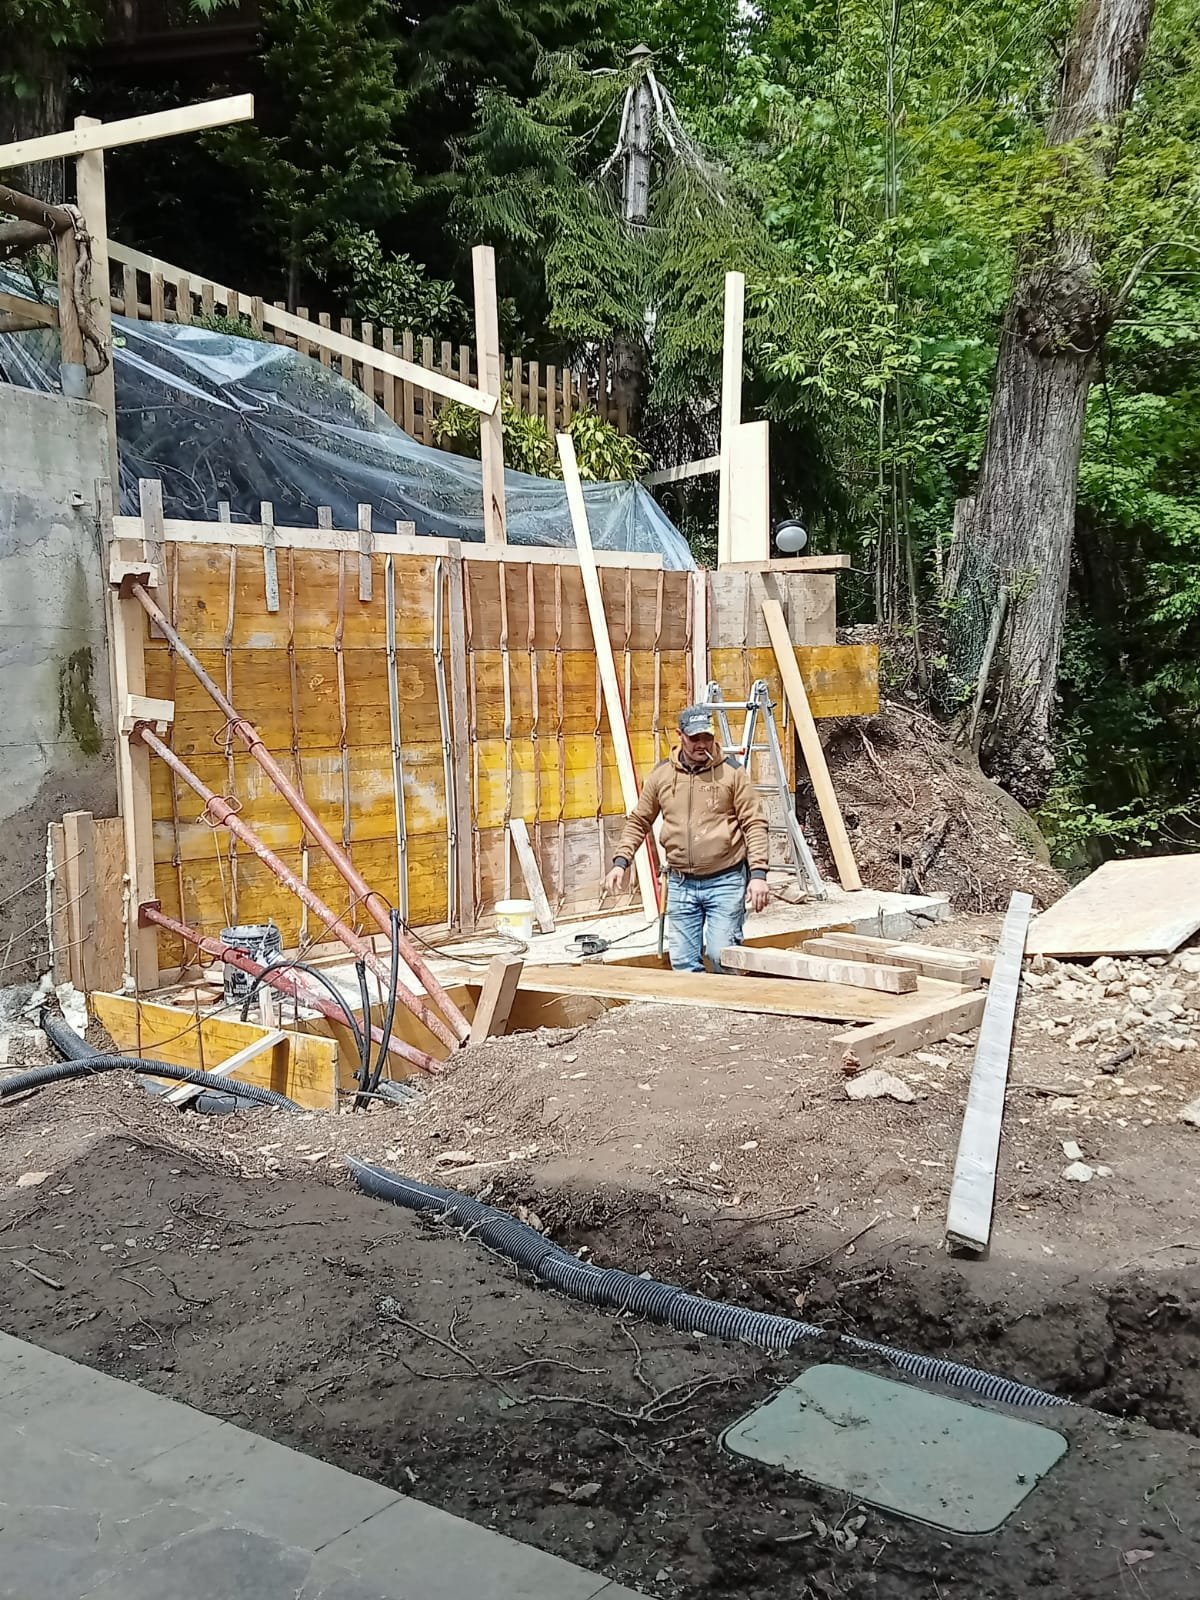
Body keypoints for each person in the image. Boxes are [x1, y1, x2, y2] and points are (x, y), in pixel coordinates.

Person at [605, 705, 770, 972]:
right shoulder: (662, 775)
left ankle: (729, 998)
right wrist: (620, 862)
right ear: (680, 735)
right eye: (694, 738)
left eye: (707, 737)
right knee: (683, 964)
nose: (701, 744)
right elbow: (639, 820)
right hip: (681, 883)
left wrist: (759, 874)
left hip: (725, 881)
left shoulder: (732, 774)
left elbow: (754, 823)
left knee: (721, 955)